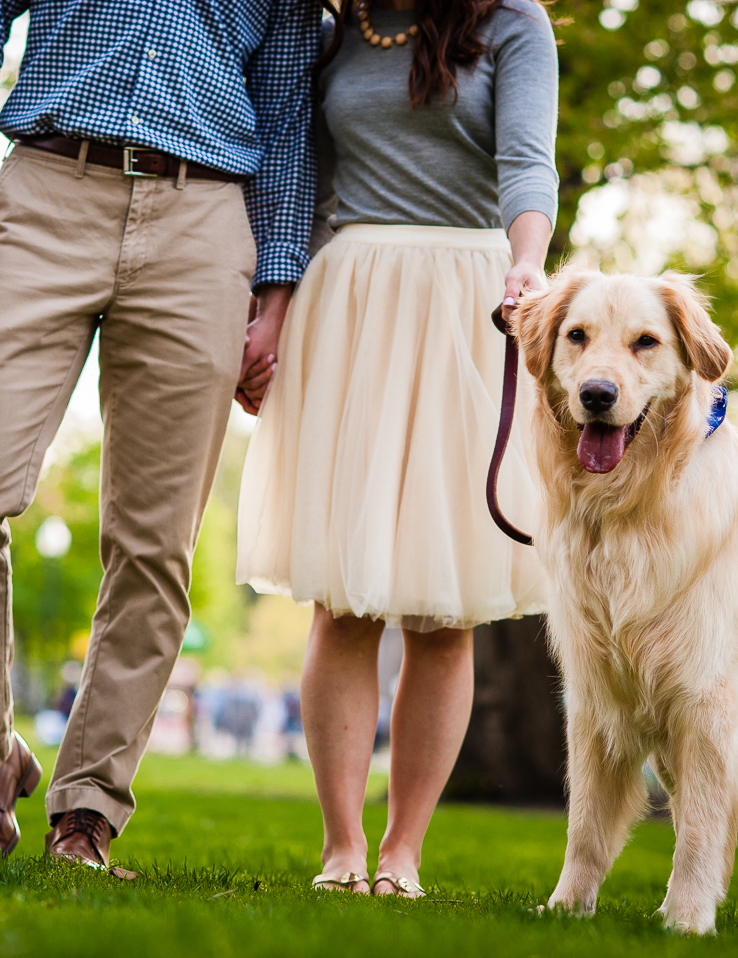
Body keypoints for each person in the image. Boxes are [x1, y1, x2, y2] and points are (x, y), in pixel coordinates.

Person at [0, 0, 319, 872]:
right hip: (49, 190)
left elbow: (286, 115)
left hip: (204, 217)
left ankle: (86, 810)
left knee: (154, 543)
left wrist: (276, 292)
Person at [236, 0, 559, 897]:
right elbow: (301, 184)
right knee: (341, 601)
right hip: (352, 307)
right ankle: (342, 849)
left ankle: (403, 853)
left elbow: (529, 165)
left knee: (444, 610)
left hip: (469, 300)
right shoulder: (334, 28)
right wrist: (271, 311)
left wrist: (527, 261)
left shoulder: (512, 22)